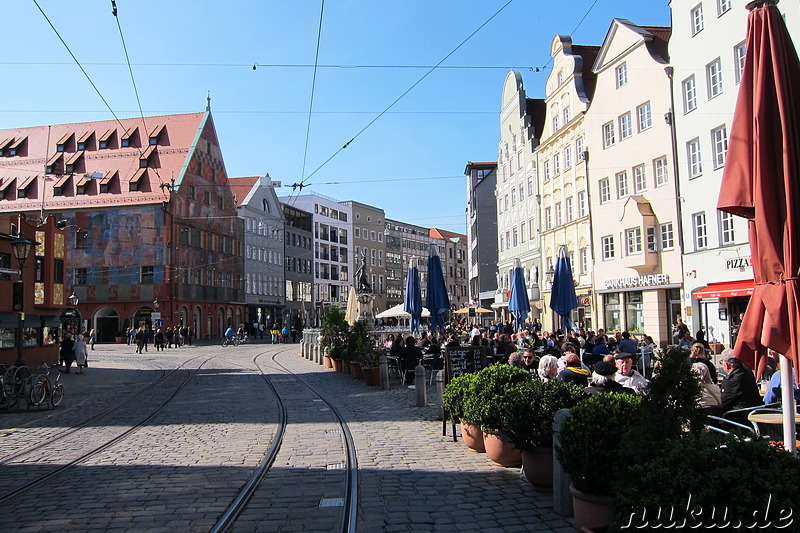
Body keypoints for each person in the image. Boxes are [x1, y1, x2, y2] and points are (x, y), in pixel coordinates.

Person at [719, 349, 763, 422]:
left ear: (726, 365)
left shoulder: (731, 380)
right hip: (754, 413)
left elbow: (723, 403)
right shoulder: (747, 371)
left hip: (740, 420)